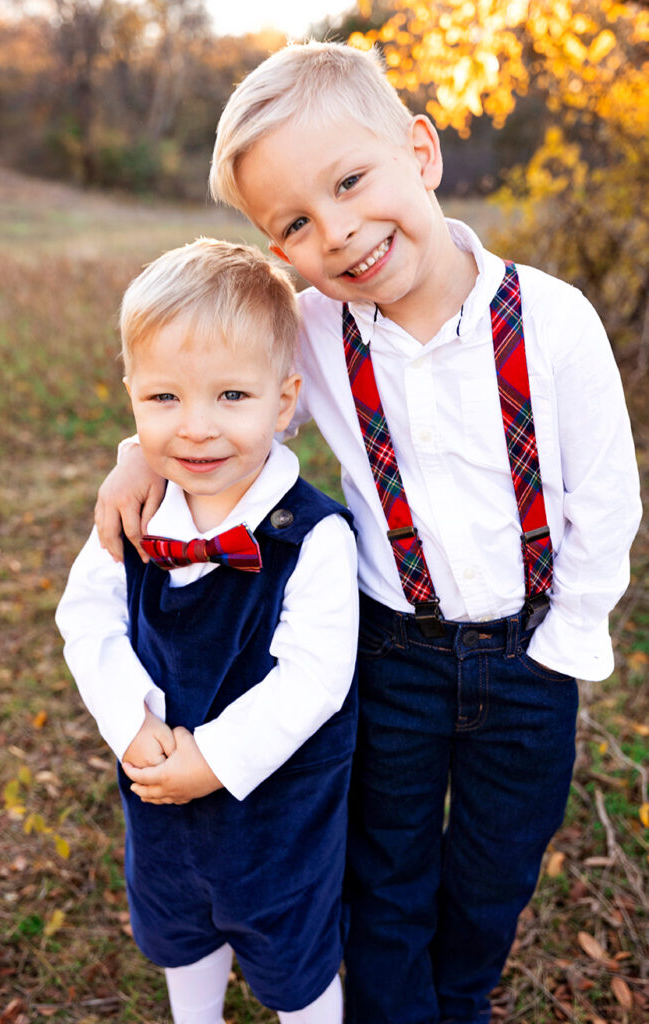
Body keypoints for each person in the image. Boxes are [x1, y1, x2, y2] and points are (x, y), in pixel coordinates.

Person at [93, 42, 642, 1024]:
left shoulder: (551, 325)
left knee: (491, 865)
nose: (339, 232)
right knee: (383, 863)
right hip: (388, 648)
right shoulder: (309, 331)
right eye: (296, 223)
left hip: (528, 659)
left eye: (350, 182)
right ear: (278, 250)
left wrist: (562, 642)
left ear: (418, 152)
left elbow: (602, 501)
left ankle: (459, 994)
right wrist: (139, 455)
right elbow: (226, 390)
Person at [56, 237, 359, 1024]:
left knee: (295, 968)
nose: (195, 429)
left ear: (283, 399)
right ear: (131, 394)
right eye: (164, 400)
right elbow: (85, 614)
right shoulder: (133, 513)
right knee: (180, 935)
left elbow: (316, 677)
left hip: (278, 823)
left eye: (231, 396)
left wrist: (216, 758)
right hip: (161, 801)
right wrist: (128, 719)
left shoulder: (313, 536)